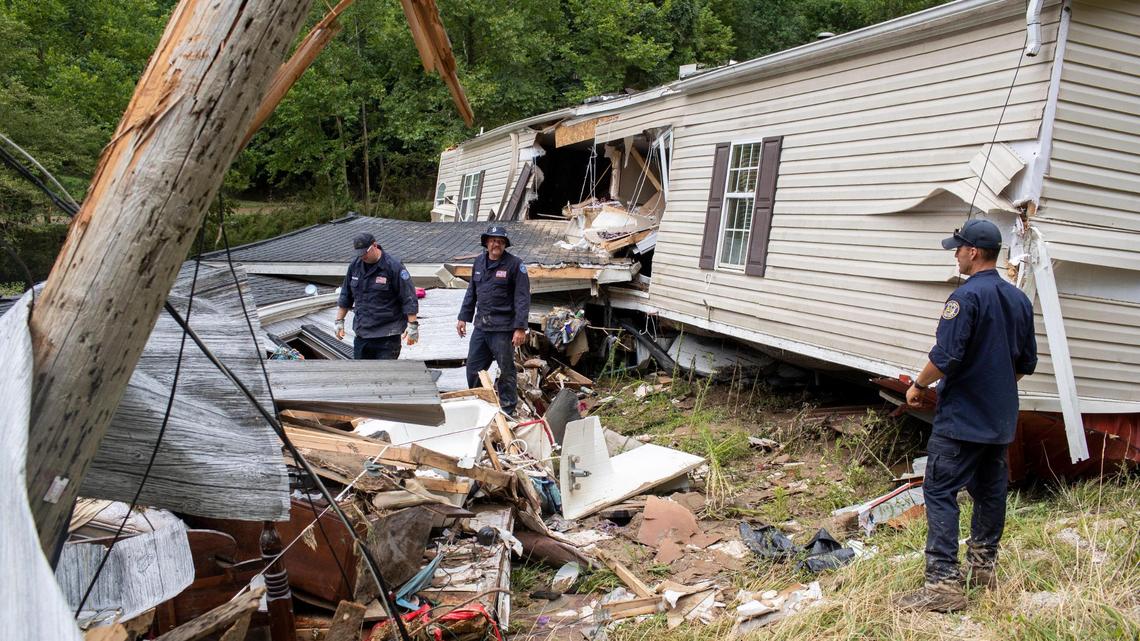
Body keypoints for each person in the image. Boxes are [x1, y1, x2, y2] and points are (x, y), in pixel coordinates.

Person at [897, 219, 1037, 612]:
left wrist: (920, 387)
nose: (955, 254)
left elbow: (946, 356)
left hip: (961, 419)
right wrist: (994, 383)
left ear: (973, 252)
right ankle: (983, 570)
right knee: (990, 494)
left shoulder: (966, 298)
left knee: (940, 491)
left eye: (957, 248)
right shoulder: (1019, 300)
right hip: (999, 417)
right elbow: (1026, 362)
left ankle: (942, 586)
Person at [456, 224, 530, 416]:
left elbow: (522, 298)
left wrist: (520, 328)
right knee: (473, 368)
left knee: (506, 370)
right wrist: (463, 317)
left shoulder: (515, 265)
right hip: (481, 327)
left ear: (505, 244)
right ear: (486, 243)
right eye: (493, 240)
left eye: (500, 241)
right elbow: (471, 292)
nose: (496, 244)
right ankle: (478, 404)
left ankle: (508, 409)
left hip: (503, 329)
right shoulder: (479, 262)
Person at [335, 232, 419, 359]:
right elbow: (346, 295)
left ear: (374, 245)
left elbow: (408, 297)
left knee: (383, 376)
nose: (362, 257)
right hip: (363, 333)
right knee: (362, 375)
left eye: (365, 253)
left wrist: (412, 326)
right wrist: (339, 321)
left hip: (387, 335)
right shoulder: (355, 266)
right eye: (359, 254)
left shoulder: (394, 267)